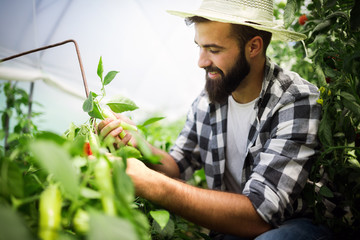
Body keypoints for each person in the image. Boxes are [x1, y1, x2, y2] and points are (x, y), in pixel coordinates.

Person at [98, 0, 332, 239]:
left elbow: (260, 215)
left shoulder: (295, 101)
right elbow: (178, 165)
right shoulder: (210, 98)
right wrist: (139, 145)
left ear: (253, 47)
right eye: (199, 47)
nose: (201, 61)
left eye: (214, 50)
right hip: (233, 227)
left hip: (290, 226)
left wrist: (153, 185)